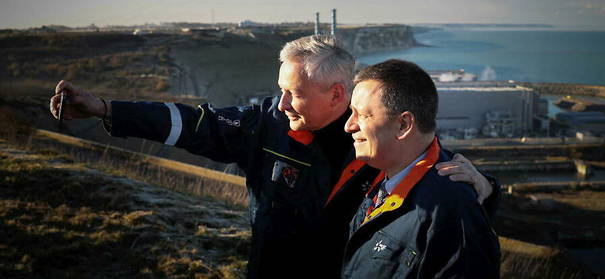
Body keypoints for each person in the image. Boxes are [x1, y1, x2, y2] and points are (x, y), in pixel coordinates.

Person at [49, 35, 499, 278]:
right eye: (279, 91)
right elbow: (190, 123)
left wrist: (487, 189)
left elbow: (434, 179)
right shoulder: (264, 124)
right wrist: (108, 110)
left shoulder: (377, 139)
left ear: (337, 94)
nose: (281, 104)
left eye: (294, 94)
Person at [341, 59, 500, 278]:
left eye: (363, 115)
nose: (349, 125)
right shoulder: (384, 178)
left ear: (404, 125)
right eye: (351, 112)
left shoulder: (450, 213)